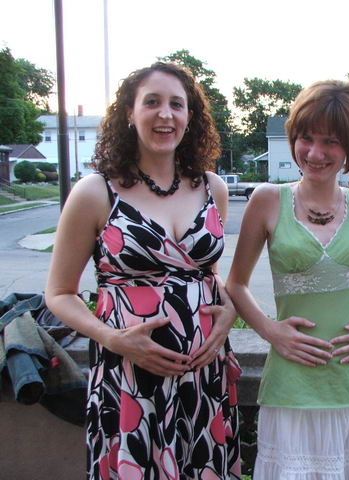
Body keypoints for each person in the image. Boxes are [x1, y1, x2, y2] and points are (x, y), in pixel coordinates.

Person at [45, 62, 242, 479]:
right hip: (130, 379)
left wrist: (229, 309)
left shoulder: (213, 188)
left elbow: (206, 274)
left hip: (202, 377)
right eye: (151, 102)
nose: (165, 114)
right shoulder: (96, 192)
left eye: (176, 104)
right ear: (129, 114)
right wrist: (113, 338)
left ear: (190, 117)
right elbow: (59, 293)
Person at [226, 80, 349, 479]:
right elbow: (235, 284)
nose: (315, 153)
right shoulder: (268, 200)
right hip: (296, 379)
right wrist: (271, 331)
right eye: (306, 138)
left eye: (330, 142)